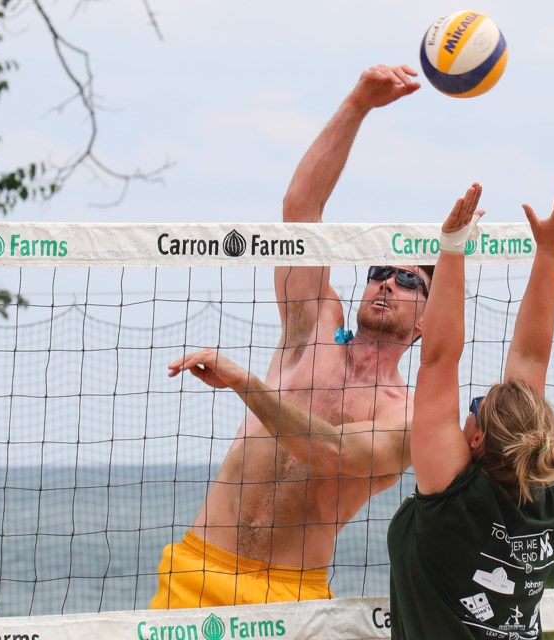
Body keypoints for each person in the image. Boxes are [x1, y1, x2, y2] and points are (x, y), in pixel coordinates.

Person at [149, 64, 429, 609]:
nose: (388, 281)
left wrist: (244, 383)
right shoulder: (314, 328)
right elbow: (301, 210)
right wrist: (359, 103)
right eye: (379, 271)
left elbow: (330, 451)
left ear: (425, 322)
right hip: (198, 568)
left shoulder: (408, 416)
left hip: (289, 597)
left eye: (409, 278)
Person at [387, 180, 554, 639]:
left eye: (476, 408)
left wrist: (452, 248)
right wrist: (548, 252)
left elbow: (440, 356)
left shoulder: (458, 502)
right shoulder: (536, 497)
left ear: (478, 438)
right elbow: (529, 359)